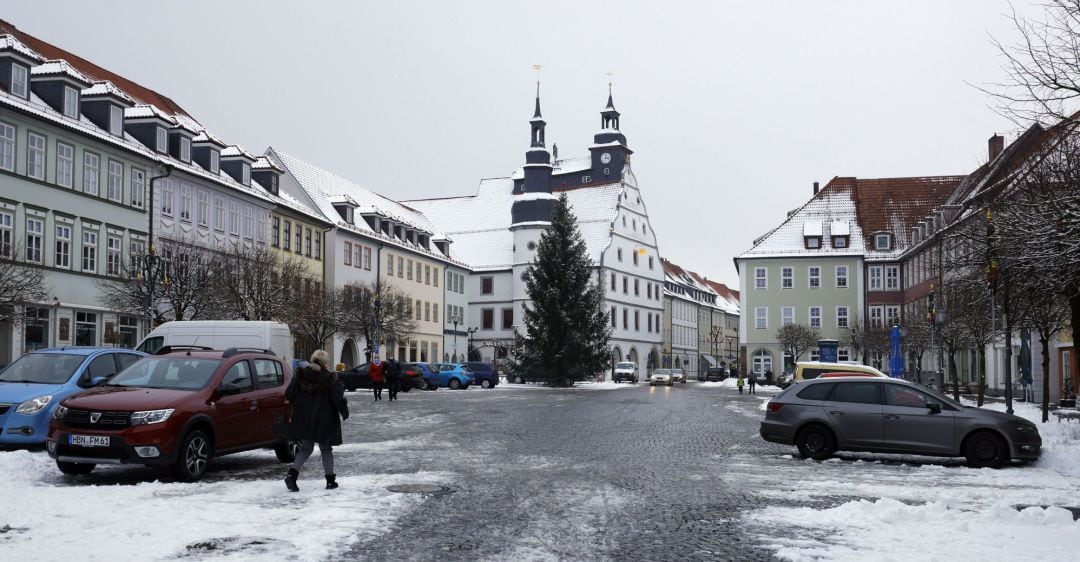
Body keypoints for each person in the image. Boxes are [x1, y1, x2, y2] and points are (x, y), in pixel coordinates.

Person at [284, 349, 348, 492]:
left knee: (306, 448)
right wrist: (344, 411)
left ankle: (291, 476)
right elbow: (337, 398)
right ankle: (330, 481)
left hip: (303, 419)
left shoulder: (300, 375)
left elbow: (289, 395)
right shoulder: (330, 378)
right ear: (325, 362)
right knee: (325, 449)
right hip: (324, 420)